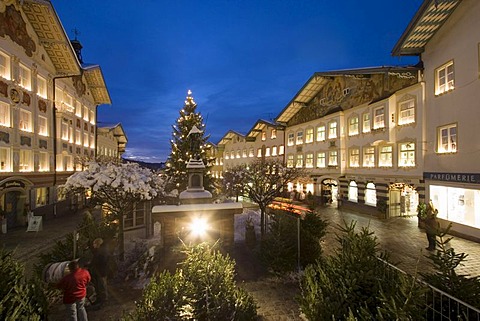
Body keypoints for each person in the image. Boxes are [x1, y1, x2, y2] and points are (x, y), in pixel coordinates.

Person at [90, 238, 109, 306]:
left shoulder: (101, 252)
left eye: (94, 243)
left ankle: (103, 301)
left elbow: (102, 261)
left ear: (98, 244)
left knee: (102, 287)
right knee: (98, 287)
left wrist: (92, 264)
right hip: (98, 272)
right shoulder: (99, 251)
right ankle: (99, 299)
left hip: (101, 272)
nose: (93, 245)